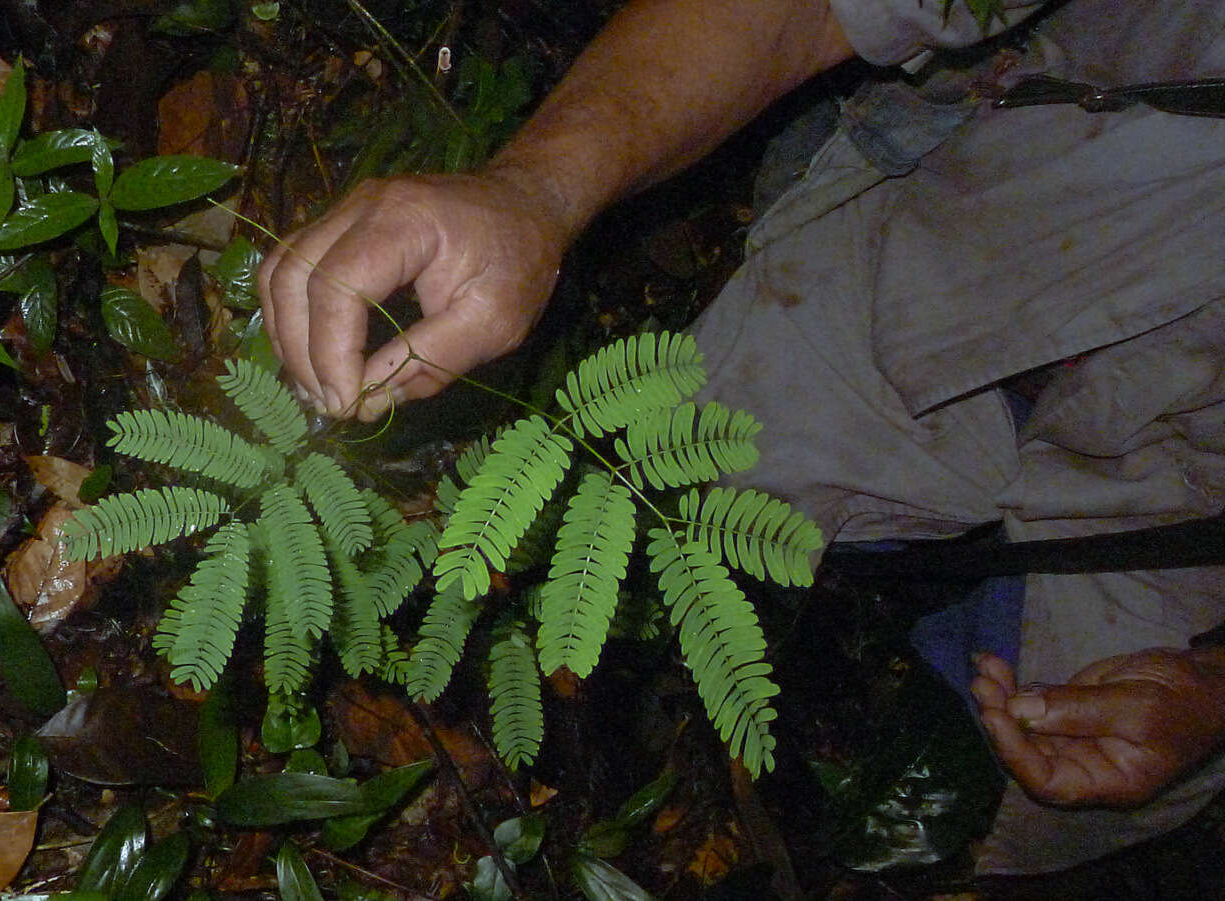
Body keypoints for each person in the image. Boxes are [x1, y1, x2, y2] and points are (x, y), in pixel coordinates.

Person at [257, 0, 1225, 875]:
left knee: (1016, 811)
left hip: (1175, 538)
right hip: (939, 260)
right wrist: (534, 193)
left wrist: (1213, 696)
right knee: (690, 484)